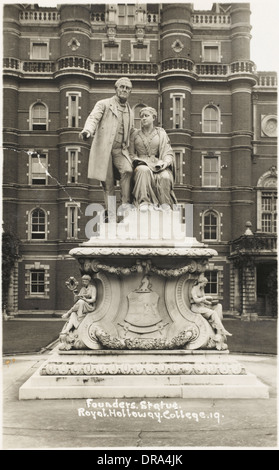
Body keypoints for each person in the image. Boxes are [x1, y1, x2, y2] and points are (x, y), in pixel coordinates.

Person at [79, 77, 134, 210]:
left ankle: (125, 206)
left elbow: (131, 133)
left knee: (127, 170)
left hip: (120, 150)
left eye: (127, 88)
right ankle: (111, 214)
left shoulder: (130, 112)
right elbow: (93, 118)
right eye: (122, 86)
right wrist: (87, 131)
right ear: (116, 89)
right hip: (104, 149)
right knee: (108, 183)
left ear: (130, 91)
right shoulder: (103, 104)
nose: (124, 89)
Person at [129, 106, 177, 211]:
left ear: (153, 118)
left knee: (164, 176)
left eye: (146, 116)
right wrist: (136, 160)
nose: (143, 118)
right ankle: (143, 201)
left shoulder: (161, 133)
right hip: (140, 164)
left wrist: (165, 162)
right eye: (141, 116)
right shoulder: (135, 134)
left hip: (157, 165)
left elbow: (168, 152)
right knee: (143, 170)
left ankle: (165, 204)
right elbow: (130, 154)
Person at [190, 274, 232, 338]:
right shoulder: (194, 289)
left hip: (202, 306)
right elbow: (196, 300)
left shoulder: (201, 289)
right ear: (200, 282)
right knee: (213, 313)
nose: (205, 285)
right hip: (196, 307)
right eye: (205, 283)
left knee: (219, 306)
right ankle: (222, 330)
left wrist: (210, 303)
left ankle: (218, 329)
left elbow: (203, 300)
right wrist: (206, 297)